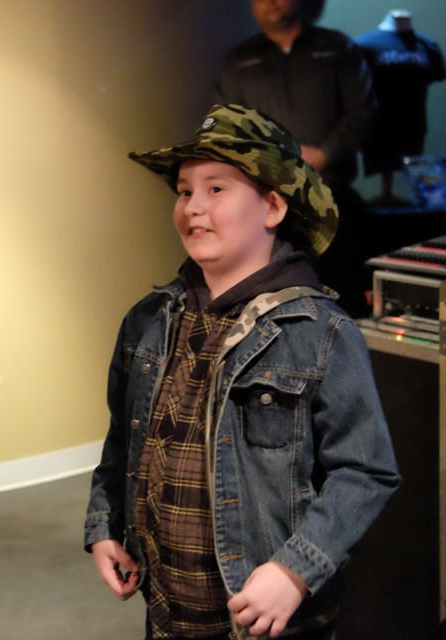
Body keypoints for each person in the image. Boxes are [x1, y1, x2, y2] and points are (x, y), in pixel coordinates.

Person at [84, 104, 399, 640]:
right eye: (184, 191)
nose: (192, 208)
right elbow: (122, 442)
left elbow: (365, 470)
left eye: (216, 189)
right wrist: (105, 525)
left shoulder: (320, 331)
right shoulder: (147, 321)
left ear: (273, 207)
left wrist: (296, 569)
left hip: (261, 616)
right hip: (166, 607)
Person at [217, 0, 377, 317]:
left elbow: (363, 110)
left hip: (333, 202)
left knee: (344, 308)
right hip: (269, 212)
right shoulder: (240, 60)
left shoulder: (336, 48)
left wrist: (324, 154)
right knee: (279, 311)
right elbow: (228, 128)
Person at [356, 10, 446, 205]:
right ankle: (385, 194)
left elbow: (436, 74)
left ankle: (420, 197)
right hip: (379, 119)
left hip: (414, 118)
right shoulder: (366, 44)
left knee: (415, 158)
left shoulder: (427, 45)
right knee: (383, 158)